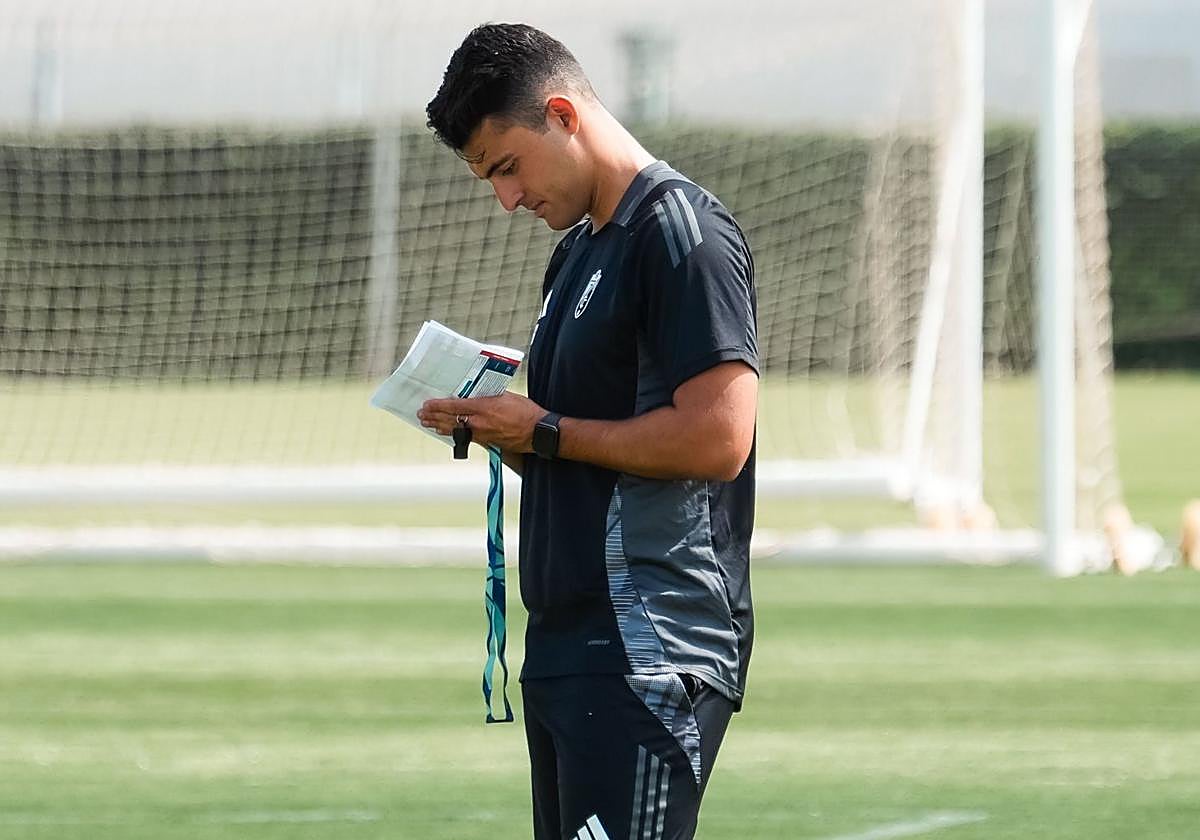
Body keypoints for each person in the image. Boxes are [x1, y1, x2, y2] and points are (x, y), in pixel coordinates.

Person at [418, 22, 758, 840]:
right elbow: (584, 450)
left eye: (507, 166)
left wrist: (543, 432)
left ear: (563, 115)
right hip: (567, 647)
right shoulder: (575, 254)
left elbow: (719, 440)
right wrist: (507, 432)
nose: (506, 198)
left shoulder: (682, 234)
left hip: (650, 645)